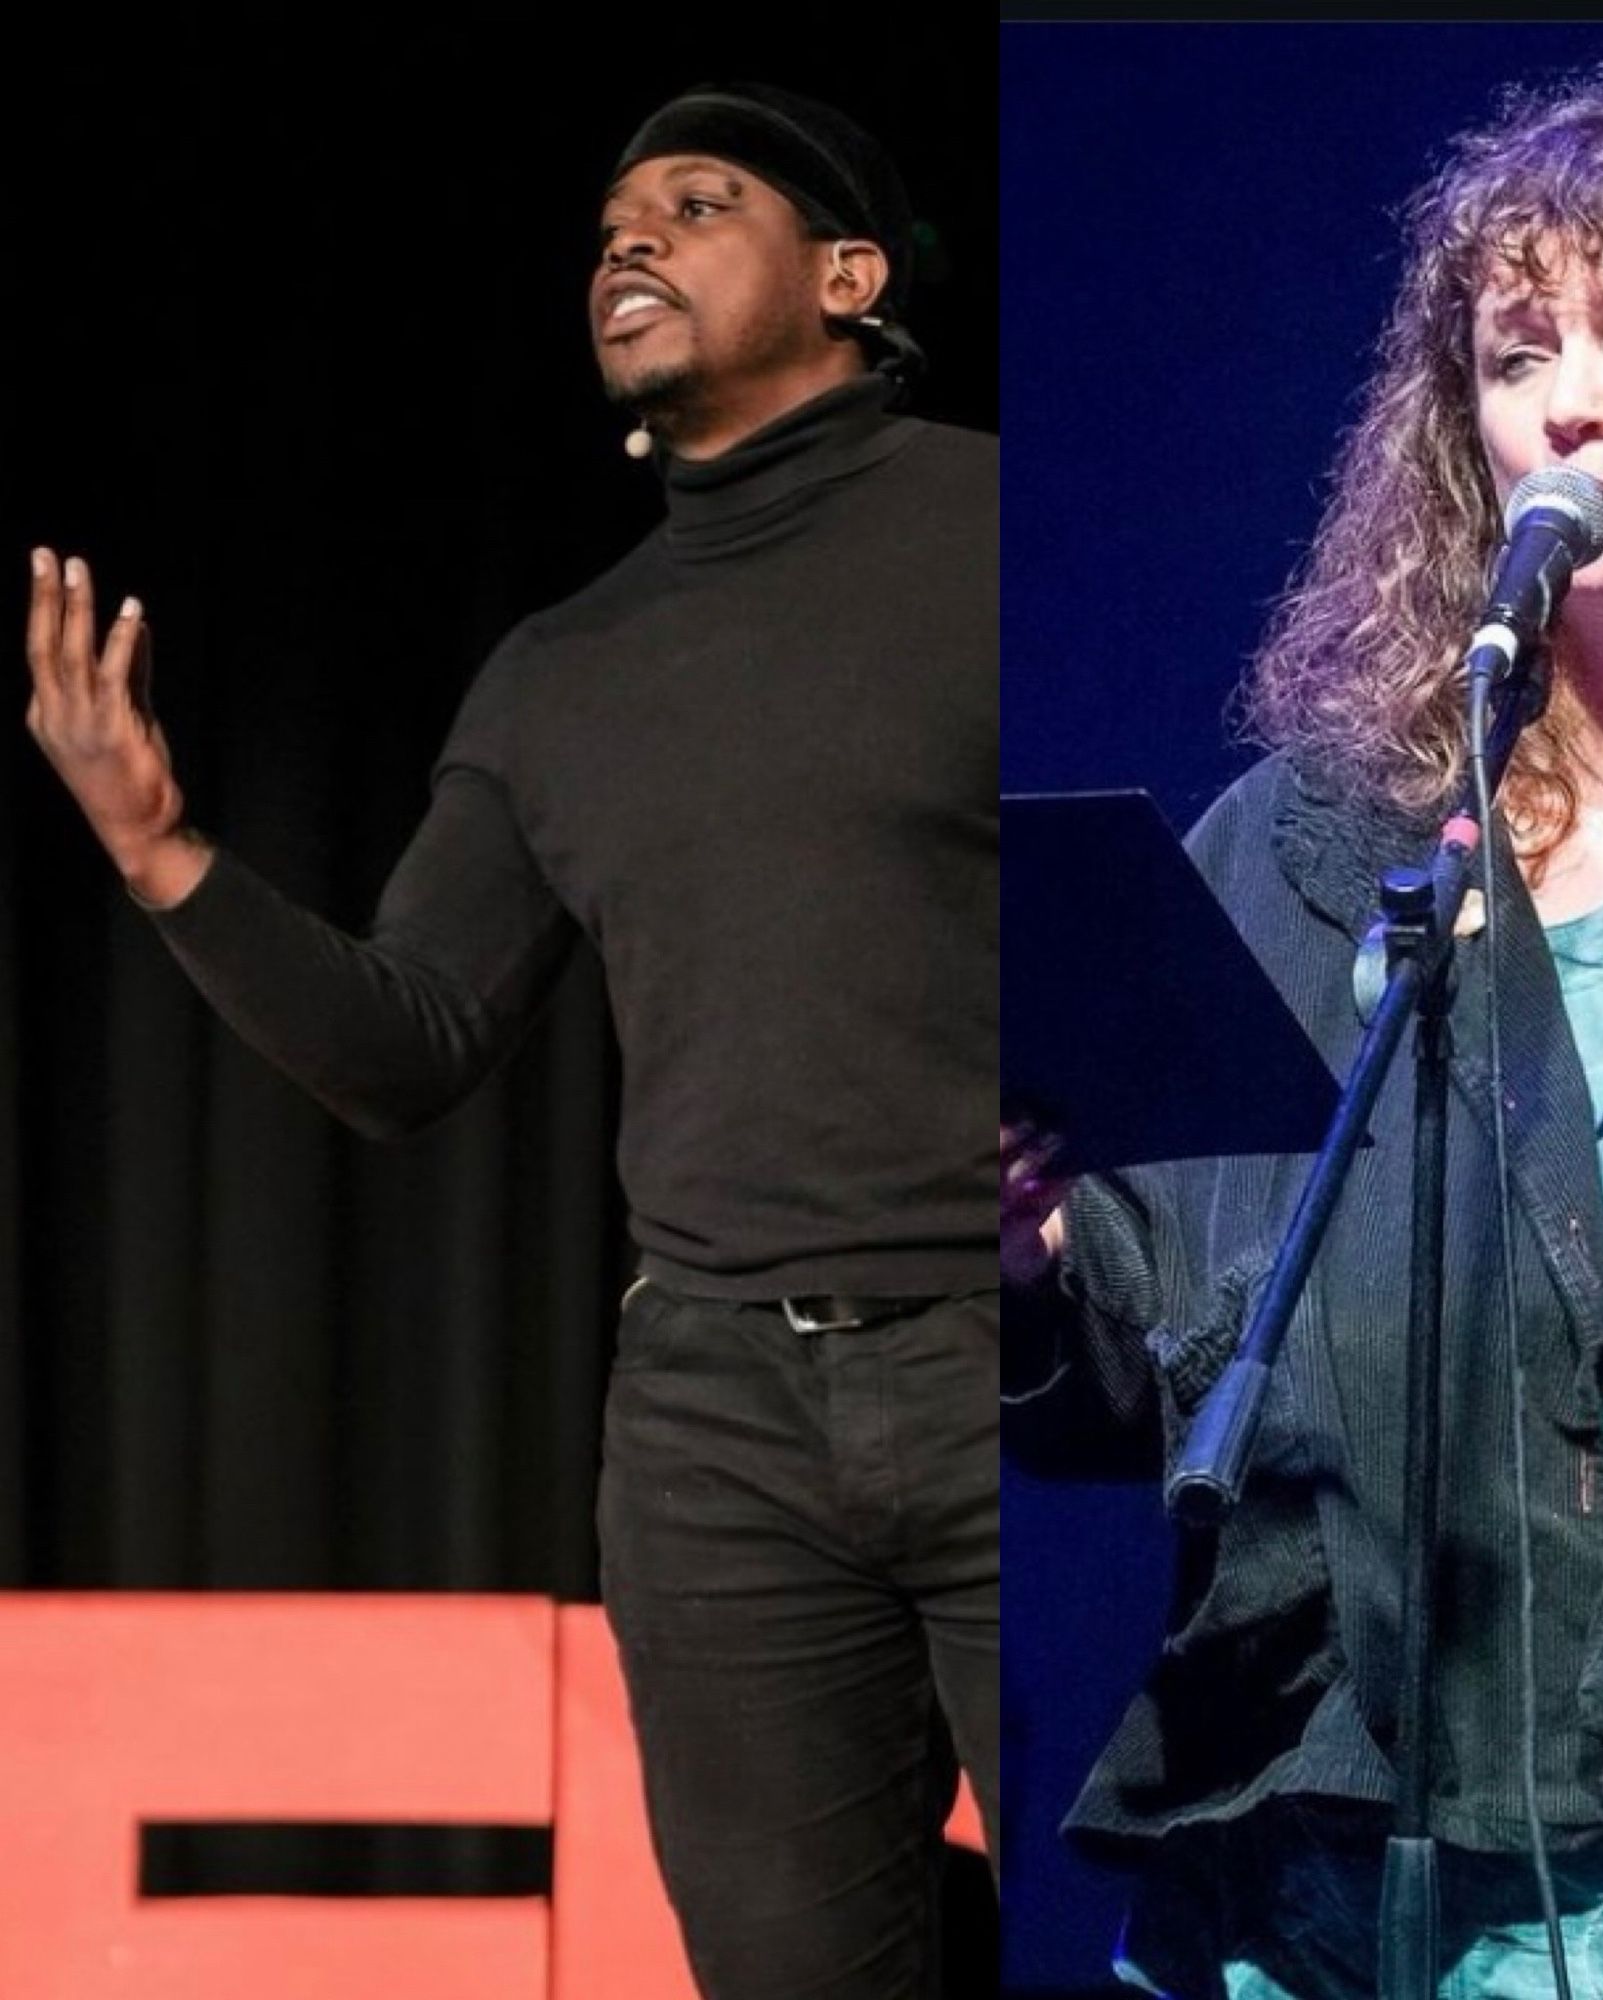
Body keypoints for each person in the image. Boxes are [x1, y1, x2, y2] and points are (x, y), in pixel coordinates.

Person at [1003, 67, 1603, 1998]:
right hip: (1324, 1891)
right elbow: (1140, 1342)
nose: (1570, 401)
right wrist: (1023, 1263)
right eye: (1514, 351)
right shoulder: (1307, 858)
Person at [26, 80, 997, 2000]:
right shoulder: (564, 667)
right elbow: (411, 1043)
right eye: (613, 221)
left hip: (1027, 1366)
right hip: (721, 1431)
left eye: (700, 204)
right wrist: (160, 850)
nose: (629, 241)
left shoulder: (999, 530)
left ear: (850, 278)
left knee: (1140, 1933)